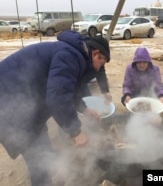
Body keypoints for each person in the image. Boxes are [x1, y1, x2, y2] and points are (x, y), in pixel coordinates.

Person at [0, 30, 111, 186]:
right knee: (39, 160)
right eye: (102, 62)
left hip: (25, 105)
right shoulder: (71, 56)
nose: (99, 69)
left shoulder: (74, 54)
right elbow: (57, 98)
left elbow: (66, 90)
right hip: (10, 105)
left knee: (42, 151)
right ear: (96, 54)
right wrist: (76, 133)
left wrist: (84, 109)